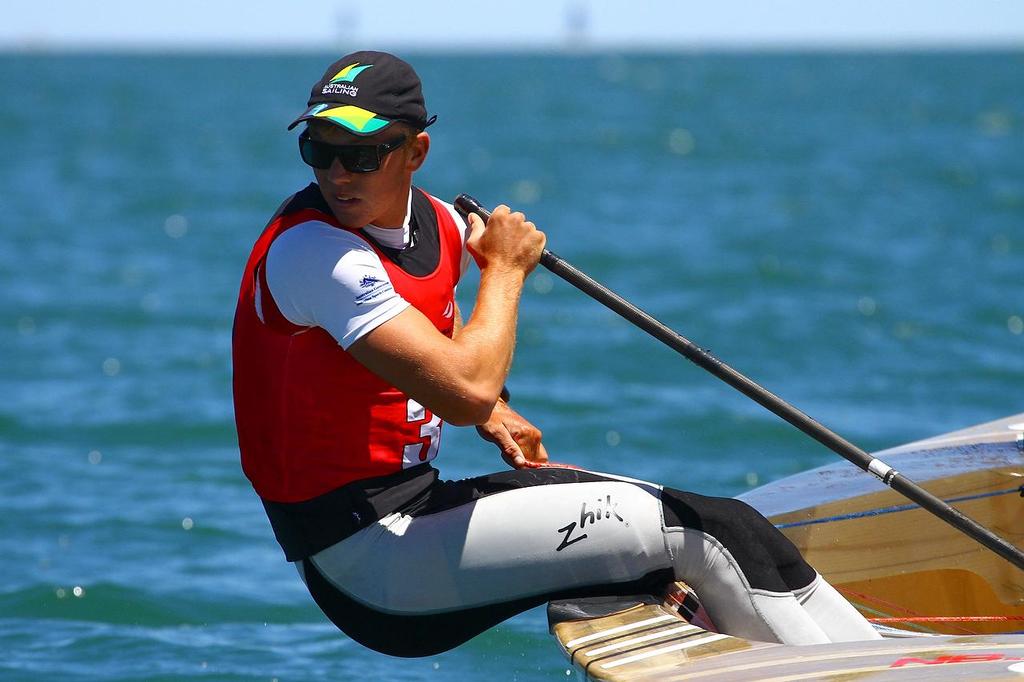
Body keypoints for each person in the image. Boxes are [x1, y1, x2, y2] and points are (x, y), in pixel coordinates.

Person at [232, 50, 880, 658]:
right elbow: (465, 390)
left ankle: (886, 659)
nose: (337, 173)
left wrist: (496, 413)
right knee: (706, 537)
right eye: (318, 150)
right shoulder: (316, 253)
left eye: (363, 154)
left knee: (741, 526)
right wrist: (506, 273)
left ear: (416, 150)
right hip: (370, 562)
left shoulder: (438, 224)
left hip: (417, 517)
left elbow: (425, 346)